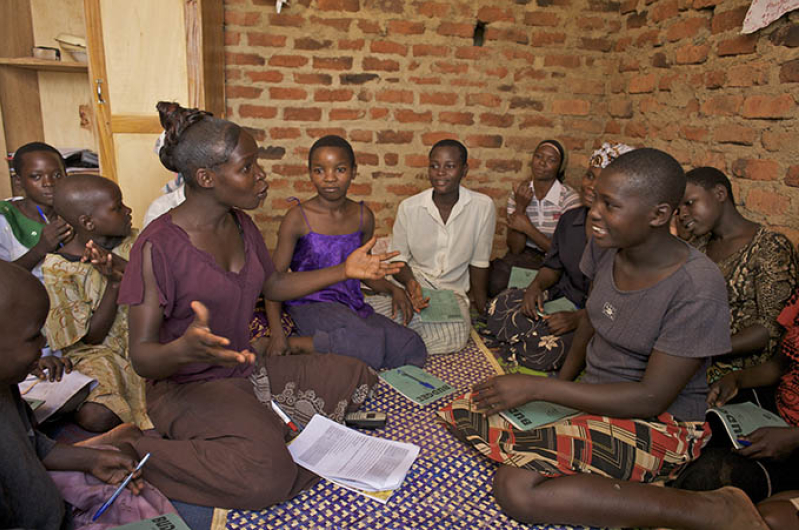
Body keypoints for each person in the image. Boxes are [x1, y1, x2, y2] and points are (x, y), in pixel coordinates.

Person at [437, 149, 770, 529]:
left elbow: (651, 398)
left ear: (659, 215)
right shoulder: (606, 246)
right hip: (598, 398)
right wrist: (558, 386)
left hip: (660, 423)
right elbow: (591, 321)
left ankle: (709, 509)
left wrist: (539, 390)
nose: (594, 212)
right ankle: (601, 472)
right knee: (465, 409)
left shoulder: (697, 285)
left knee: (516, 487)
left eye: (610, 205)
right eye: (596, 200)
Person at [117, 102, 396, 510]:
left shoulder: (240, 224)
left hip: (243, 368)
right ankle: (133, 448)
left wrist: (345, 270)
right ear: (206, 177)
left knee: (355, 375)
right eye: (248, 168)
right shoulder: (156, 246)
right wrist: (180, 351)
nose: (262, 176)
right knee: (265, 475)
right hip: (186, 388)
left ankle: (260, 434)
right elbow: (142, 357)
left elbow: (275, 284)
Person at [0, 260, 149, 530]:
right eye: (34, 336)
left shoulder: (6, 386)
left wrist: (92, 460)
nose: (45, 343)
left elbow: (31, 446)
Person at [265, 135, 426, 369]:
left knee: (412, 346)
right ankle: (295, 345)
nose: (329, 178)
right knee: (366, 340)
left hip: (350, 304)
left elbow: (364, 271)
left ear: (353, 171)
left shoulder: (363, 216)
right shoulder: (297, 218)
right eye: (319, 170)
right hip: (310, 305)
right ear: (310, 173)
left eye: (339, 169)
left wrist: (394, 289)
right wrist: (277, 334)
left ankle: (330, 349)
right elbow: (273, 285)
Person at [486, 142, 634, 371]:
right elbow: (553, 266)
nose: (590, 186)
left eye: (602, 181)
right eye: (589, 176)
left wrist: (577, 319)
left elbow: (620, 303)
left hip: (596, 315)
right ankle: (529, 337)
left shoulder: (624, 235)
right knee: (499, 306)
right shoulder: (571, 219)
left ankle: (532, 341)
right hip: (563, 295)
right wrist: (535, 287)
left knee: (546, 348)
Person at [670, 286, 799, 529]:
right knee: (688, 413)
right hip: (775, 409)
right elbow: (778, 366)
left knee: (711, 475)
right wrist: (738, 379)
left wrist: (793, 438)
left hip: (792, 443)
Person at [42, 174, 150, 433]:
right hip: (97, 354)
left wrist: (120, 266)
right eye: (117, 207)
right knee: (96, 416)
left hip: (144, 340)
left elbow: (162, 283)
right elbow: (92, 338)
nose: (128, 210)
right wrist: (114, 285)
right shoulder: (59, 269)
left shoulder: (137, 242)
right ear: (87, 222)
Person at [370, 139, 496, 355]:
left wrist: (482, 308)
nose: (440, 172)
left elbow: (479, 262)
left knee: (456, 334)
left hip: (451, 294)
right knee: (377, 309)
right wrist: (410, 285)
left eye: (450, 166)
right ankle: (398, 339)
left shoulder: (482, 207)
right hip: (415, 281)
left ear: (464, 170)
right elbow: (399, 260)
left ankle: (385, 342)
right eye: (434, 165)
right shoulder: (410, 208)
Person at [680, 167, 799, 384]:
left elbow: (770, 329)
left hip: (736, 375)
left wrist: (700, 350)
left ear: (719, 194)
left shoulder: (769, 247)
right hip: (687, 361)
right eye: (678, 208)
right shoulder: (696, 247)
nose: (682, 214)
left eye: (689, 203)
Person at [487, 139, 581, 297]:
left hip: (555, 262)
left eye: (551, 160)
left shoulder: (569, 198)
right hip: (526, 256)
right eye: (539, 156)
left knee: (560, 291)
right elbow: (516, 249)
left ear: (560, 167)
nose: (543, 163)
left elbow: (566, 253)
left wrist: (528, 228)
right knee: (495, 283)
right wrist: (521, 207)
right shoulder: (520, 194)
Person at [0, 142, 73, 281]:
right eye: (36, 176)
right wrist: (40, 249)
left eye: (57, 175)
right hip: (24, 300)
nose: (49, 183)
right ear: (18, 181)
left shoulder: (77, 213)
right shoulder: (4, 219)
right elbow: (3, 281)